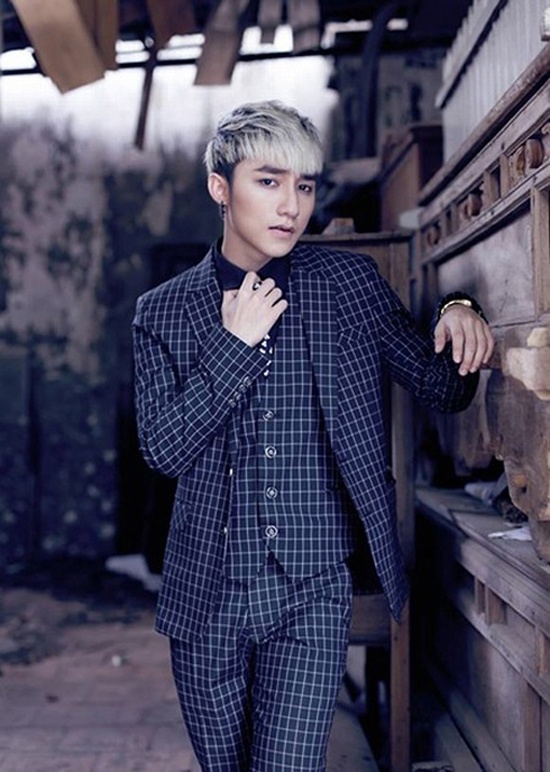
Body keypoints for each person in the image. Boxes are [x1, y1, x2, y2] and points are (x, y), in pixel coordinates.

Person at [132, 100, 494, 772]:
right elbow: (163, 449)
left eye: (303, 186)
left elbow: (442, 387)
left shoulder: (348, 286)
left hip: (312, 590)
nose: (290, 206)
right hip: (205, 596)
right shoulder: (163, 312)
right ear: (220, 187)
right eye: (268, 181)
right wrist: (234, 346)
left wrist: (461, 308)